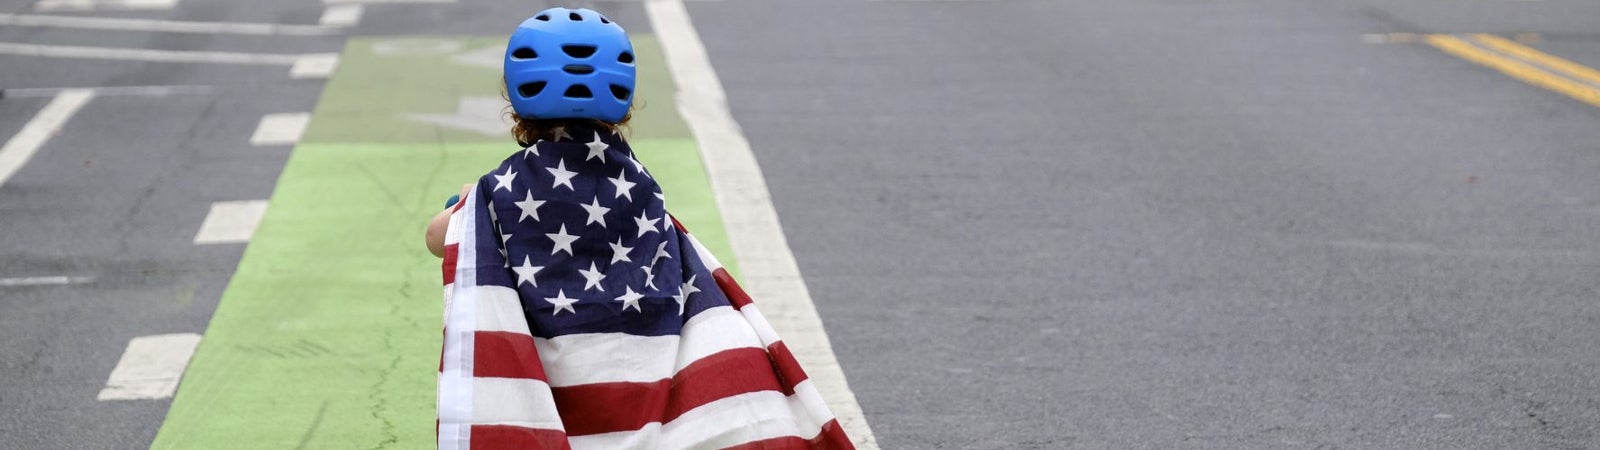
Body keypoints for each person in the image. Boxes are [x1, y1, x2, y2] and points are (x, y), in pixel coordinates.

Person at [429, 8, 854, 449]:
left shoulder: (500, 190)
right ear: (623, 103)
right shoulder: (640, 184)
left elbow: (438, 239)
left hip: (549, 384)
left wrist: (465, 208)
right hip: (635, 377)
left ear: (515, 100)